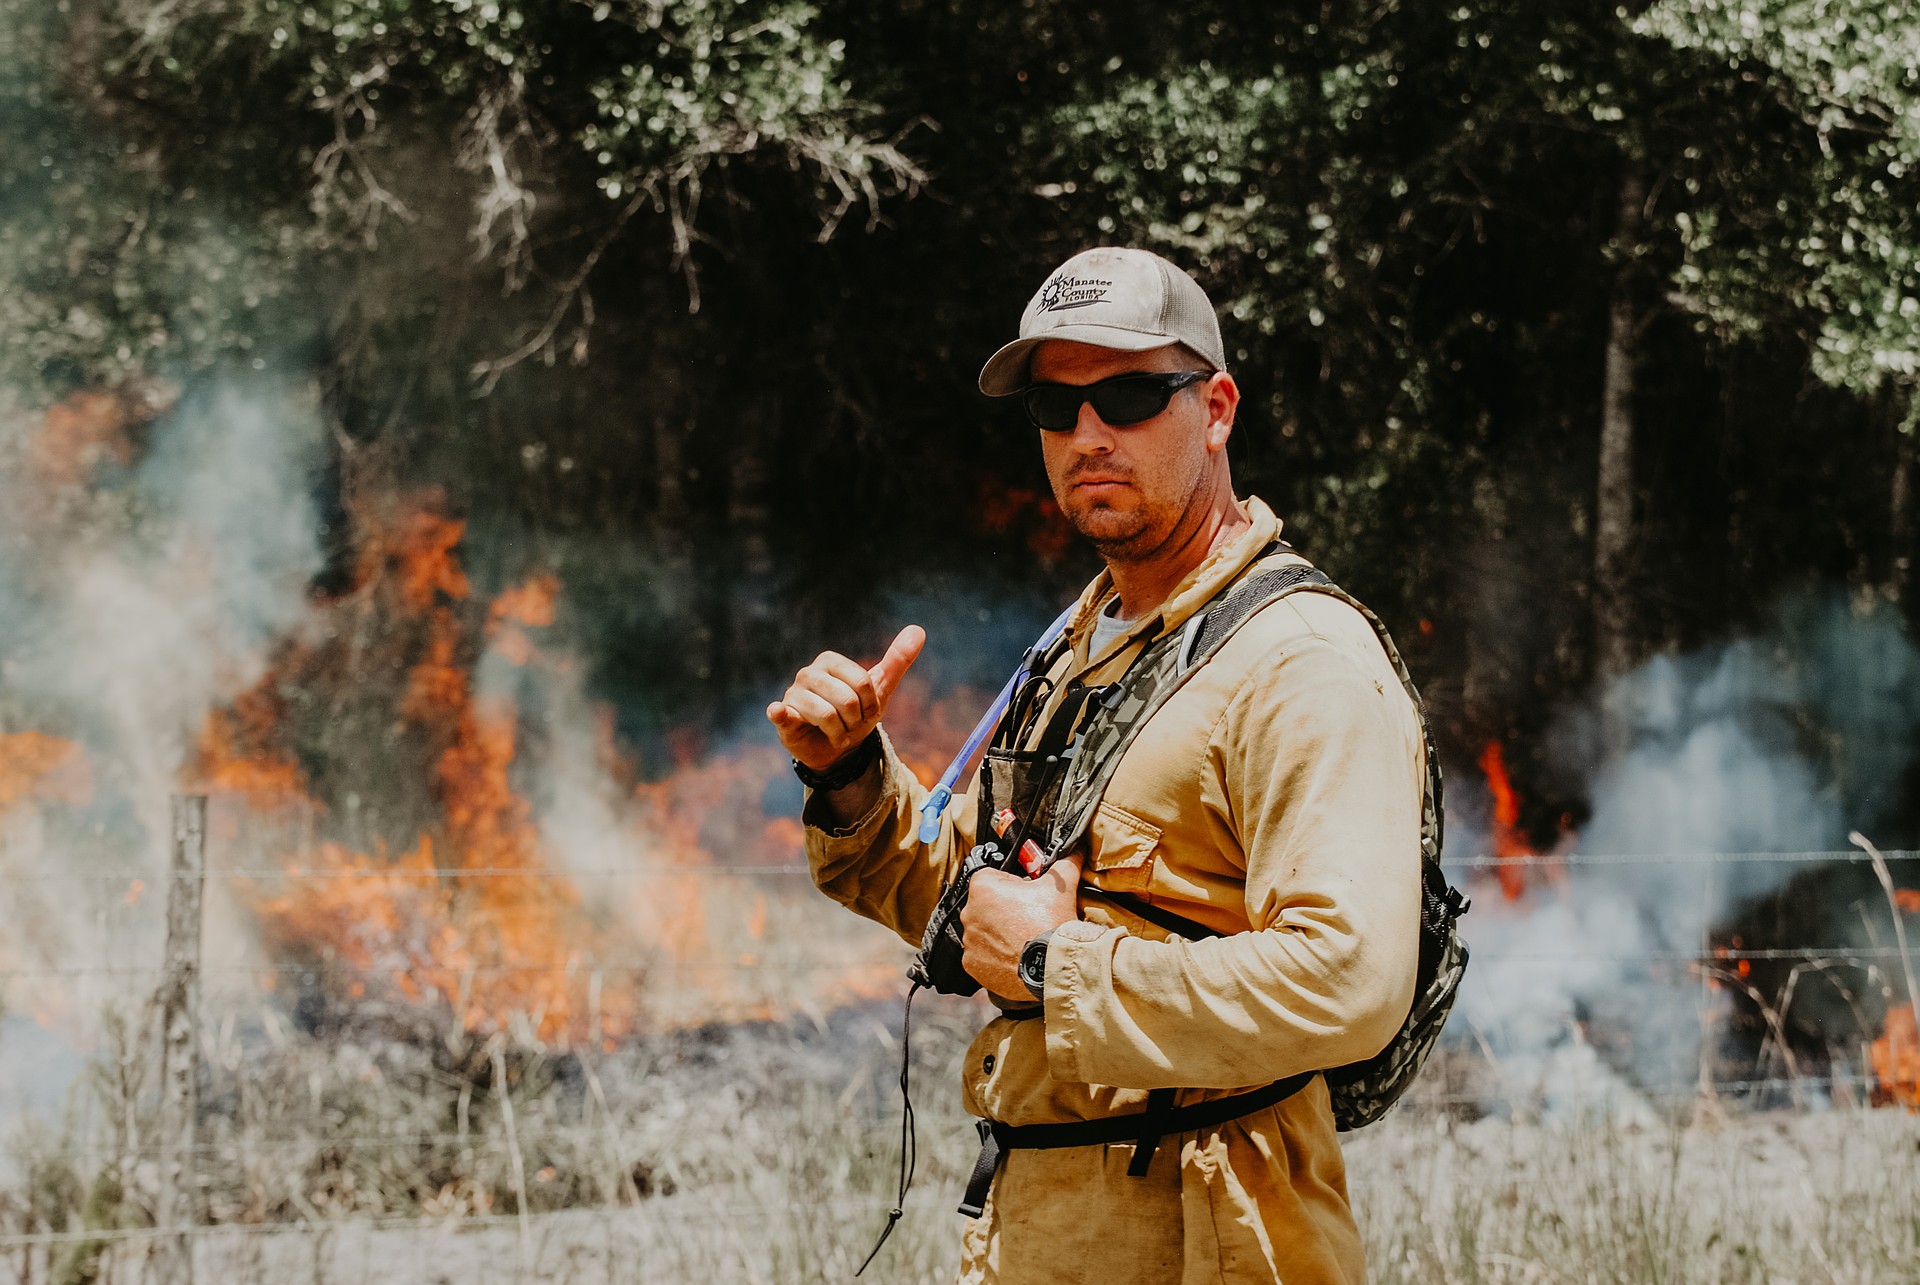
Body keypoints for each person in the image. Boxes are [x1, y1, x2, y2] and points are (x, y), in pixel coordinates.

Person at [766, 246, 1425, 1284]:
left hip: (1214, 1241)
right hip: (1047, 1231)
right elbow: (981, 913)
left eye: (1127, 394)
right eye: (1056, 407)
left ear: (1215, 408)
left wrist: (1051, 967)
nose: (1088, 435)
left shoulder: (1299, 661)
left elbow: (1351, 980)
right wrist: (850, 774)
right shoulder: (1088, 640)